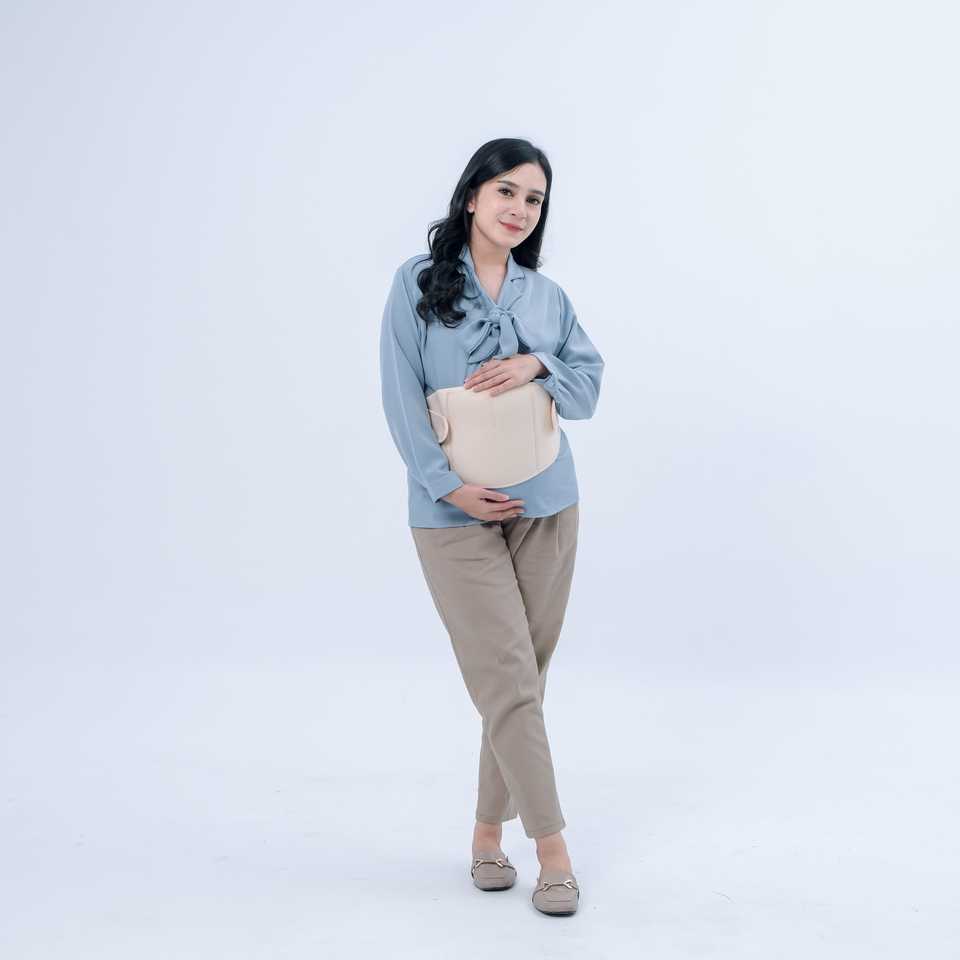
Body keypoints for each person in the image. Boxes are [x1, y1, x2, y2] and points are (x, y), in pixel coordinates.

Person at [378, 137, 604, 916]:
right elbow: (400, 396)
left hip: (549, 504)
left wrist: (538, 364)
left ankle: (485, 834)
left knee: (520, 684)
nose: (519, 208)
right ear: (472, 195)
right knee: (507, 679)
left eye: (534, 199)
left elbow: (588, 390)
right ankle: (553, 851)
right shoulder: (416, 284)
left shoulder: (548, 298)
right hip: (452, 512)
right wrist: (448, 485)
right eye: (506, 190)